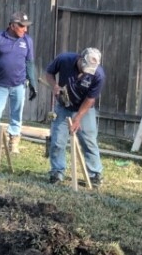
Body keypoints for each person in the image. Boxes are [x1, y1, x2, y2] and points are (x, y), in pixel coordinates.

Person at [43, 47, 104, 185]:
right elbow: (49, 73)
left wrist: (78, 118)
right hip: (63, 106)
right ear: (81, 59)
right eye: (85, 68)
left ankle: (95, 174)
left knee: (88, 140)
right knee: (58, 140)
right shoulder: (64, 59)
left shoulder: (98, 74)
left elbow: (90, 99)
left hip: (84, 108)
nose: (86, 72)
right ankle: (57, 172)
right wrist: (55, 86)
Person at [0, 13, 36, 153]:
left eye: (26, 27)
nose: (25, 30)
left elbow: (30, 63)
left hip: (19, 85)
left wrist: (33, 85)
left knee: (17, 115)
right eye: (22, 26)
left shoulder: (27, 41)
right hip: (0, 84)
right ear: (12, 25)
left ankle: (14, 144)